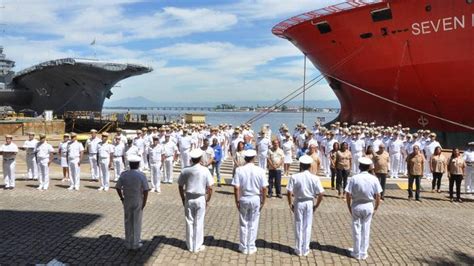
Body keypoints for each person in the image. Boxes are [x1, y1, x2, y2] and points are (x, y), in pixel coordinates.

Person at [286, 155, 324, 257]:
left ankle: (298, 249)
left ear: (301, 165)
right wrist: (316, 205)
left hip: (298, 201)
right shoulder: (314, 178)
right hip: (309, 202)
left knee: (298, 224)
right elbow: (321, 194)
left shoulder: (294, 177)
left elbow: (289, 192)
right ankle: (305, 248)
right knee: (307, 226)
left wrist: (290, 204)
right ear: (310, 166)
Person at [345, 157, 382, 261]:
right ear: (369, 167)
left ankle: (356, 252)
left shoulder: (354, 178)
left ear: (359, 166)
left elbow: (348, 194)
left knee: (356, 228)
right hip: (369, 205)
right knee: (366, 229)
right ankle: (363, 252)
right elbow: (378, 195)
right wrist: (376, 207)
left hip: (356, 204)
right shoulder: (374, 179)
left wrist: (349, 206)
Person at [232, 149, 268, 255]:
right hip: (255, 198)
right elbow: (264, 188)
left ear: (245, 158)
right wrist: (263, 201)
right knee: (253, 223)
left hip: (244, 197)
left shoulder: (239, 170)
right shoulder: (260, 170)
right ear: (254, 158)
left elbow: (236, 187)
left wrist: (237, 200)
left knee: (243, 222)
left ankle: (243, 246)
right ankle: (251, 246)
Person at [178, 149, 214, 253]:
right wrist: (208, 200)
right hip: (200, 197)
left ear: (191, 159)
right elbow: (210, 187)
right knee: (199, 221)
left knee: (189, 221)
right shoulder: (205, 170)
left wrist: (182, 198)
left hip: (189, 197)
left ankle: (190, 245)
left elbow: (180, 186)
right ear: (200, 158)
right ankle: (197, 245)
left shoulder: (185, 170)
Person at [115, 155, 149, 250]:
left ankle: (128, 242)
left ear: (129, 164)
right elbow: (146, 190)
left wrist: (122, 198)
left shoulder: (124, 174)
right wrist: (144, 202)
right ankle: (136, 243)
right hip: (138, 199)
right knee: (137, 221)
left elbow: (117, 187)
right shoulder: (141, 175)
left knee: (128, 221)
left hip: (127, 200)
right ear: (138, 164)